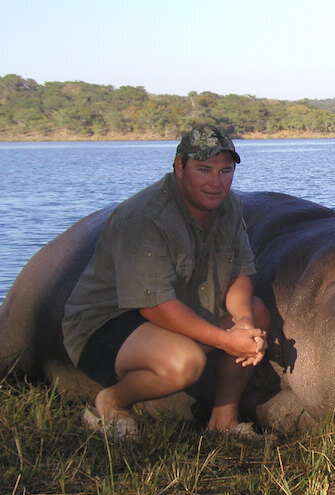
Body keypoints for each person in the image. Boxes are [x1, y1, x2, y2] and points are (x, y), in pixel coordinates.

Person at [63, 124, 270, 440]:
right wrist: (228, 341)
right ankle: (111, 403)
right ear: (179, 166)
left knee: (256, 311)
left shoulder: (228, 206)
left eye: (225, 171)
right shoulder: (145, 215)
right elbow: (154, 306)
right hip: (106, 324)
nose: (215, 182)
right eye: (203, 169)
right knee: (183, 362)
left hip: (177, 307)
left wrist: (243, 323)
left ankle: (223, 422)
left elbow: (238, 274)